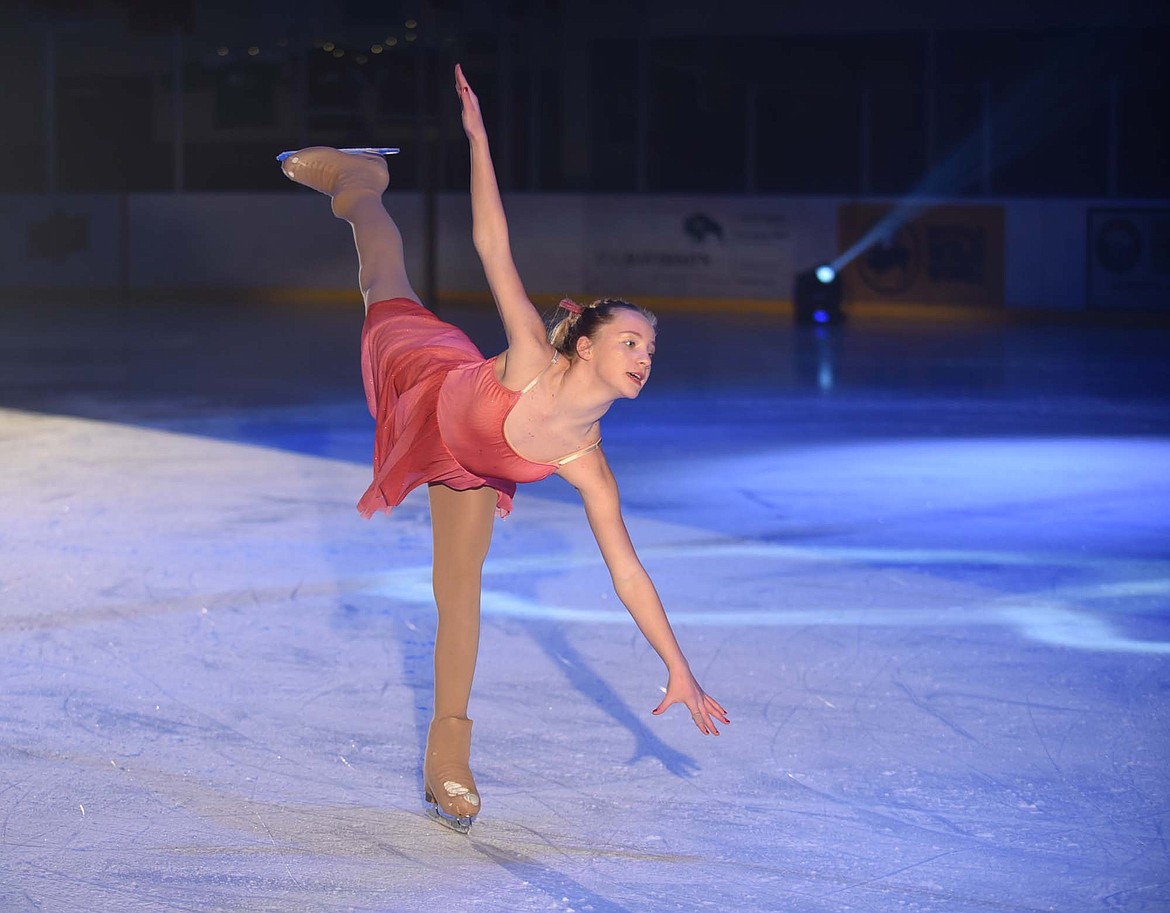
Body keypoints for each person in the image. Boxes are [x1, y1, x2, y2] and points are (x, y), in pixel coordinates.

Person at [278, 64, 728, 834]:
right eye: (630, 338)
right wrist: (478, 137)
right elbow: (492, 242)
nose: (644, 355)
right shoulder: (530, 358)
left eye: (651, 346)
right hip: (425, 372)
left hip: (469, 463)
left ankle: (447, 761)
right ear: (584, 346)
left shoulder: (587, 459)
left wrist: (677, 664)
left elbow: (628, 570)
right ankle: (359, 183)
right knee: (382, 275)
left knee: (460, 590)